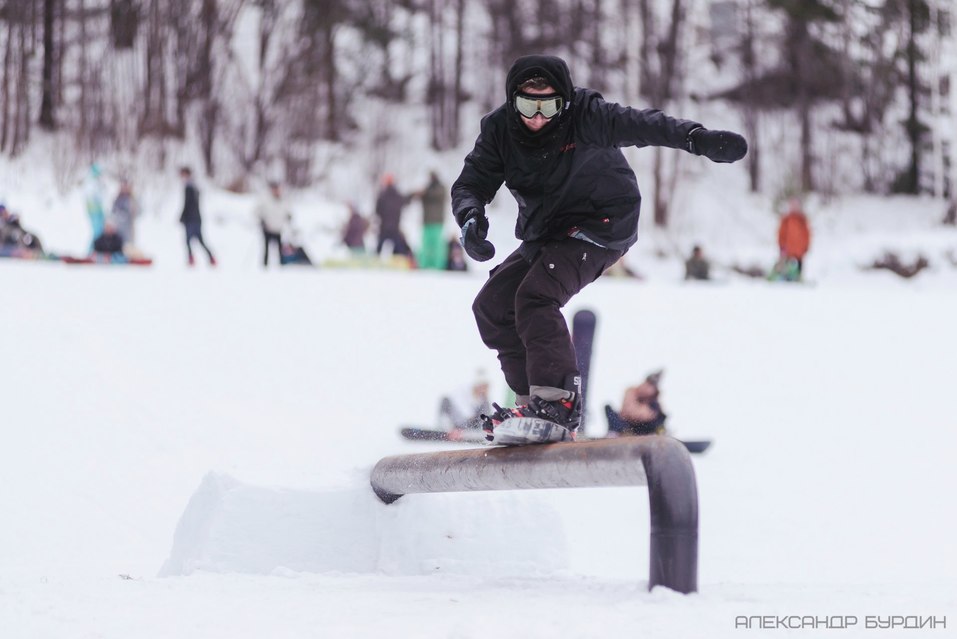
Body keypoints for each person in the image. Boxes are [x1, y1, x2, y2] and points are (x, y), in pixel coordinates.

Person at [451, 54, 746, 439]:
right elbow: (470, 182)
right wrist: (470, 217)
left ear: (565, 101)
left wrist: (696, 138)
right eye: (527, 105)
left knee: (537, 296)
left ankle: (558, 404)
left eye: (548, 106)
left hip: (602, 223)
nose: (538, 117)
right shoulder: (499, 130)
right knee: (492, 306)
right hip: (548, 230)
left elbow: (646, 126)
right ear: (512, 101)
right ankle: (531, 405)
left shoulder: (586, 115)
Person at [605, 370, 668, 437]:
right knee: (608, 409)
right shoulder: (631, 392)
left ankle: (658, 433)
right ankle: (617, 432)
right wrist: (642, 413)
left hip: (642, 426)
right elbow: (629, 411)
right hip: (627, 424)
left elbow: (655, 415)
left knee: (661, 416)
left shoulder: (654, 400)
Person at [179, 167, 217, 267]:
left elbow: (187, 204)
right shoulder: (195, 186)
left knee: (188, 240)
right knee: (200, 240)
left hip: (191, 219)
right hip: (197, 218)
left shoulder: (188, 187)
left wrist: (182, 216)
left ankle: (191, 259)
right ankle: (211, 258)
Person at [436, 371, 494, 437]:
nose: (482, 390)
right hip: (455, 425)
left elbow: (486, 417)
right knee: (445, 400)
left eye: (485, 387)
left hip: (470, 429)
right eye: (482, 386)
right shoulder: (461, 393)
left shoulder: (484, 401)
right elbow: (461, 414)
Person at [254, 180, 292, 268]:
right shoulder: (265, 200)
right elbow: (257, 211)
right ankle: (265, 267)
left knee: (280, 249)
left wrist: (289, 216)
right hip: (267, 228)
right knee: (266, 249)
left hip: (278, 229)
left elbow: (288, 211)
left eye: (277, 189)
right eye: (274, 189)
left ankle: (281, 267)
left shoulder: (284, 200)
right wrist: (261, 220)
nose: (276, 191)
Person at [374, 173, 413, 257]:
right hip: (395, 226)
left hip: (384, 226)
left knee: (379, 246)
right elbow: (406, 201)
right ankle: (403, 259)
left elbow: (377, 211)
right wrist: (412, 196)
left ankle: (376, 259)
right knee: (398, 246)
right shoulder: (397, 195)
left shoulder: (382, 195)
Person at [418, 171, 448, 269]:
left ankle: (438, 265)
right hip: (427, 221)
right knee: (426, 245)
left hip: (437, 222)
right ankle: (424, 264)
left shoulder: (440, 188)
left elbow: (437, 195)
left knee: (437, 246)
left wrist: (425, 193)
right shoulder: (428, 188)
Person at [777, 198, 811, 278]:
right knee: (787, 265)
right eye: (792, 206)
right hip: (788, 250)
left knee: (799, 265)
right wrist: (781, 246)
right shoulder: (786, 220)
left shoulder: (802, 220)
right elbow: (781, 234)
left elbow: (807, 235)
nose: (794, 208)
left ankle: (798, 277)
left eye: (796, 206)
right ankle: (787, 277)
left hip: (799, 250)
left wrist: (806, 246)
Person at [84, 163, 106, 251]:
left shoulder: (97, 182)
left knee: (100, 231)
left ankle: (95, 249)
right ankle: (90, 250)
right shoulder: (90, 182)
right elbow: (92, 198)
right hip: (94, 211)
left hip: (99, 210)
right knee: (97, 232)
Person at [111, 179, 139, 246]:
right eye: (123, 187)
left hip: (129, 226)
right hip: (119, 226)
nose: (124, 189)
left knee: (128, 244)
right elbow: (113, 211)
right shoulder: (117, 198)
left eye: (126, 187)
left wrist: (133, 211)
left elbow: (137, 211)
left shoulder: (132, 199)